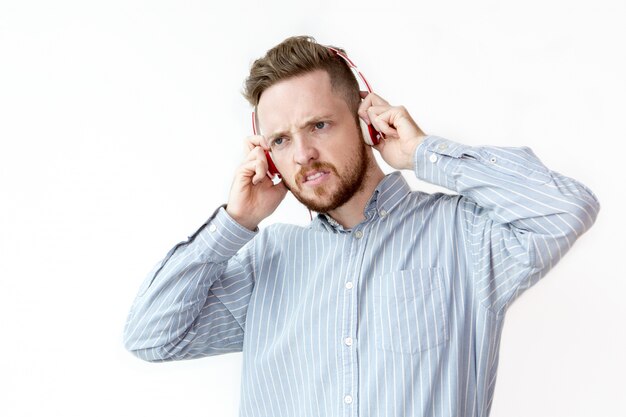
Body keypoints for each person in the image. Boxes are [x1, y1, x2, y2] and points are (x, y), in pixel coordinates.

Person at [123, 36, 600, 417]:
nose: (303, 155)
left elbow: (564, 209)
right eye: (281, 140)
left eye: (319, 126)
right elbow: (150, 336)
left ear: (365, 121)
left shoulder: (464, 237)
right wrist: (236, 221)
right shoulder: (264, 266)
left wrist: (422, 154)